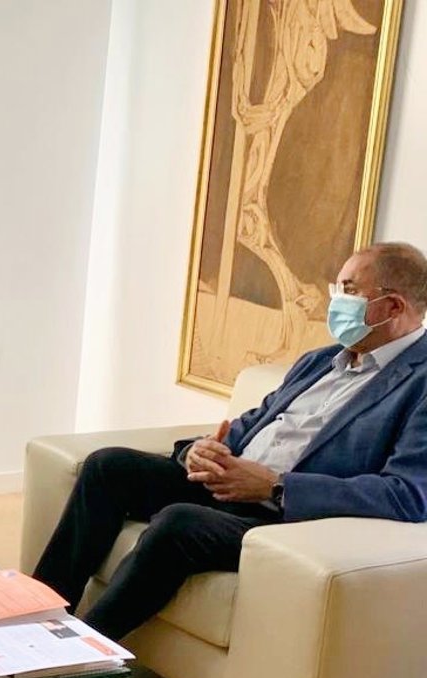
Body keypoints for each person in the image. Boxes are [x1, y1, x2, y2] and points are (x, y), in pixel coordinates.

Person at [33, 241, 427, 641]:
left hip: (283, 518)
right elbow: (253, 424)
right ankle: (35, 618)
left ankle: (76, 652)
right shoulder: (321, 360)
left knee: (178, 523)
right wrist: (201, 451)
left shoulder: (421, 383)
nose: (336, 301)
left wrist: (276, 486)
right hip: (230, 484)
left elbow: (408, 495)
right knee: (108, 467)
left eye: (349, 290)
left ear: (393, 306)